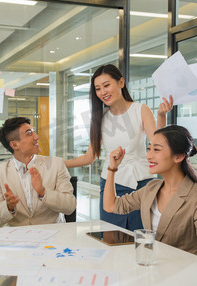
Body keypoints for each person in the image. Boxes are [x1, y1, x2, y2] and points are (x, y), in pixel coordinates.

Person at [65, 64, 173, 230]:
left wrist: (161, 116)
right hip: (110, 184)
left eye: (107, 85)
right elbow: (90, 157)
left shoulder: (140, 110)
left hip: (141, 184)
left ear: (121, 83)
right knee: (110, 235)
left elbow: (158, 145)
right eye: (98, 88)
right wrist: (57, 163)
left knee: (140, 235)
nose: (103, 92)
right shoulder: (100, 117)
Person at [103, 125, 197, 256]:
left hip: (184, 269)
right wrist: (112, 169)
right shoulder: (152, 188)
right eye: (149, 149)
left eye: (156, 150)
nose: (149, 155)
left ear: (178, 157)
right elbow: (111, 206)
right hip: (153, 264)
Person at [0, 117, 76, 227]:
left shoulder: (56, 165)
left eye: (34, 132)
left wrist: (44, 192)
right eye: (29, 134)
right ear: (14, 145)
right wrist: (8, 207)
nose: (37, 137)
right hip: (18, 238)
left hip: (53, 235)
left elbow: (70, 206)